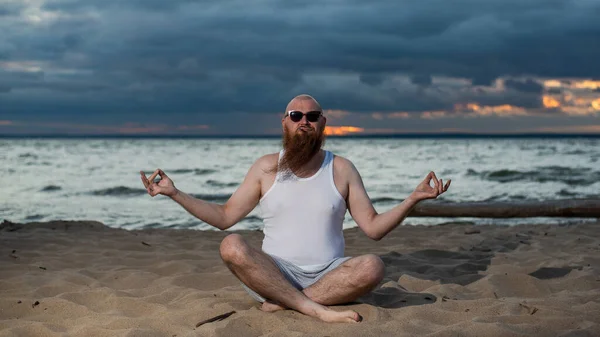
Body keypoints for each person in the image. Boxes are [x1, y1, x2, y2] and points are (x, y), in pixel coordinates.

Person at [139, 94, 451, 323]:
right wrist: (174, 193)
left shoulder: (342, 169)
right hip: (273, 274)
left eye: (312, 117)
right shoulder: (265, 168)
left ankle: (291, 303)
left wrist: (412, 199)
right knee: (231, 245)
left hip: (329, 276)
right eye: (296, 115)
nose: (304, 122)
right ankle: (312, 308)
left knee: (373, 266)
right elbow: (224, 218)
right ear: (285, 122)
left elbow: (373, 228)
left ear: (323, 124)